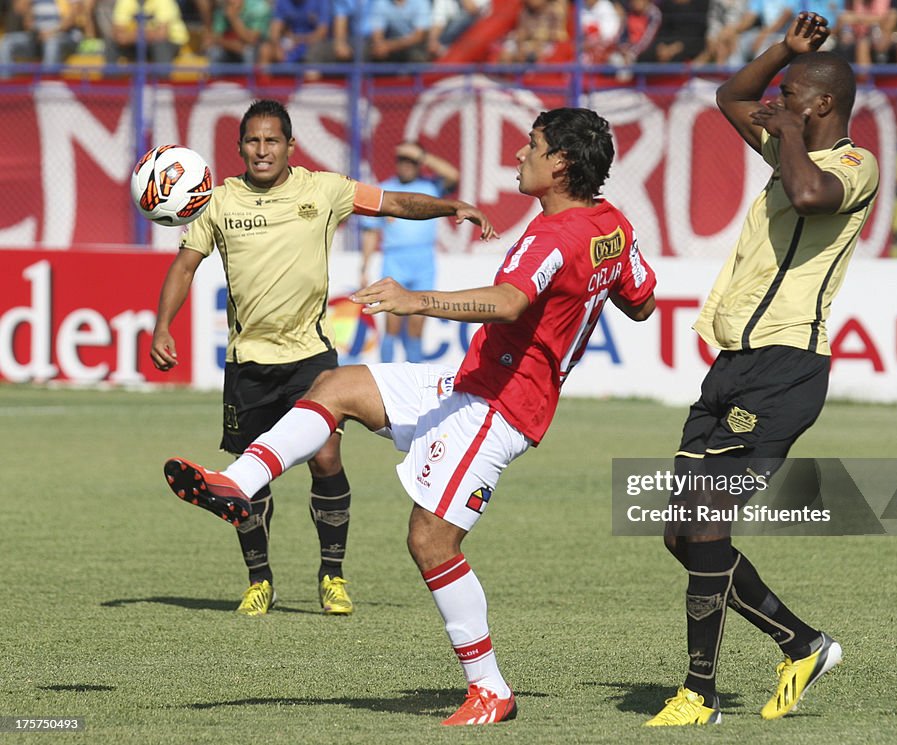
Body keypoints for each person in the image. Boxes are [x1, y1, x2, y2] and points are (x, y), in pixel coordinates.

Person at [161, 107, 657, 725]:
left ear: (560, 163)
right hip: (473, 381)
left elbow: (508, 303)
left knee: (430, 541)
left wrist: (413, 299)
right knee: (336, 384)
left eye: (531, 146)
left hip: (500, 407)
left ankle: (490, 689)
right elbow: (641, 302)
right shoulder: (613, 225)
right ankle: (240, 483)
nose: (518, 156)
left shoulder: (550, 235)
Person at [150, 99, 495, 617]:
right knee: (250, 473)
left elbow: (394, 203)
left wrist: (450, 207)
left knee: (327, 458)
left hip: (312, 357)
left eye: (271, 141)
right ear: (239, 147)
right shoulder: (218, 203)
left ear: (291, 145)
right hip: (248, 362)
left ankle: (333, 574)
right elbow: (183, 268)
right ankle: (259, 579)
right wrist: (161, 326)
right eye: (252, 141)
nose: (261, 150)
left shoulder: (324, 189)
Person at [645, 13, 879, 727]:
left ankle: (700, 694)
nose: (772, 101)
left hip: (786, 367)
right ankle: (802, 643)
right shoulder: (789, 149)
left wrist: (780, 131)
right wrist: (784, 51)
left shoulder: (850, 164)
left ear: (823, 107)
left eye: (789, 93)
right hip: (734, 364)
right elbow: (727, 98)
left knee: (706, 526)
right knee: (681, 533)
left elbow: (812, 197)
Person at [359, 140, 459, 364]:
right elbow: (370, 232)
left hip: (423, 262)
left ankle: (415, 384)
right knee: (392, 325)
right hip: (395, 261)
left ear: (418, 163)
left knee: (417, 326)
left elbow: (453, 175)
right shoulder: (384, 190)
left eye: (410, 160)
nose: (405, 165)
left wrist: (421, 155)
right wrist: (364, 267)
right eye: (401, 160)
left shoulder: (431, 188)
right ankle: (385, 379)